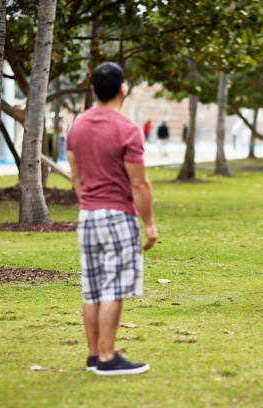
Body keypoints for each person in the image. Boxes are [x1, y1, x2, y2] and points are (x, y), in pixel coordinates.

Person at [66, 62, 158, 376]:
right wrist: (148, 223)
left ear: (93, 89)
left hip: (87, 216)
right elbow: (139, 183)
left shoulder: (77, 125)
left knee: (92, 289)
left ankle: (93, 356)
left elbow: (76, 177)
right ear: (122, 89)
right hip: (117, 215)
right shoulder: (127, 129)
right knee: (113, 288)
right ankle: (107, 358)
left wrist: (89, 203)